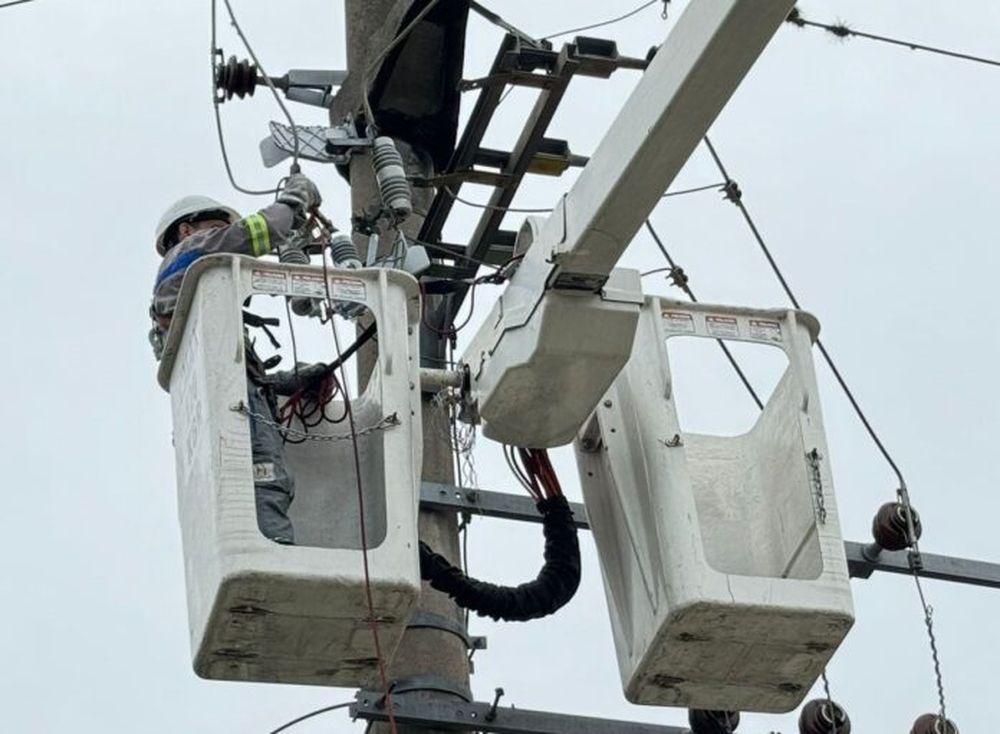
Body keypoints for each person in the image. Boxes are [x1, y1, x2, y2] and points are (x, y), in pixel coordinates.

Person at [150, 174, 324, 544]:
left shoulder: (202, 315)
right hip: (236, 411)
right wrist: (295, 201)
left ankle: (272, 557)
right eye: (216, 228)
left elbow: (234, 376)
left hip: (229, 407)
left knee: (260, 484)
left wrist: (289, 381)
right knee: (263, 482)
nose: (222, 237)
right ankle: (275, 560)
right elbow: (257, 231)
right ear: (186, 230)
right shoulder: (188, 253)